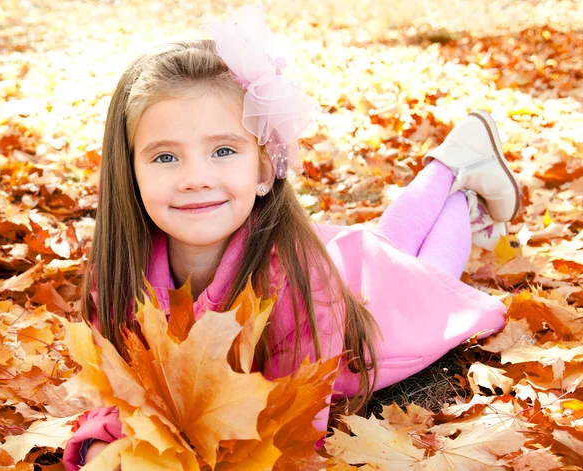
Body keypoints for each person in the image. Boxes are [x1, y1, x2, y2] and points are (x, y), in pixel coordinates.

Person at [62, 4, 521, 469]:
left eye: (223, 150)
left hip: (378, 306)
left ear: (264, 168)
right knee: (393, 238)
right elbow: (122, 394)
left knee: (430, 274)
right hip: (340, 259)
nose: (195, 178)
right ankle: (457, 167)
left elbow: (293, 430)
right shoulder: (121, 272)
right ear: (130, 171)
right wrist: (106, 444)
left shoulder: (299, 284)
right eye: (164, 157)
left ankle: (457, 183)